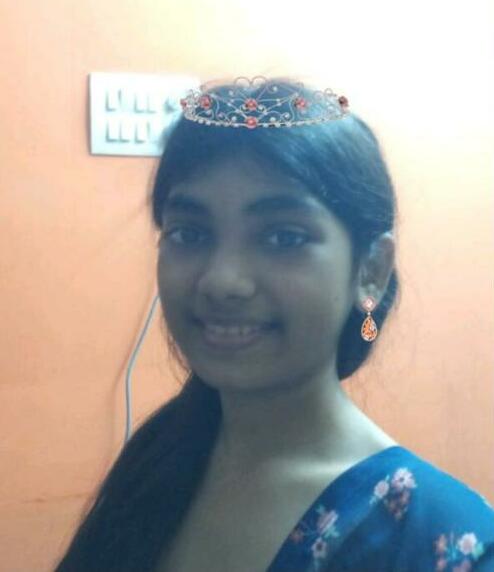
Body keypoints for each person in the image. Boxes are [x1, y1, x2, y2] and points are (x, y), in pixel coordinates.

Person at [53, 77, 494, 572]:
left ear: (371, 269)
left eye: (284, 237)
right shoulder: (156, 462)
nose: (222, 281)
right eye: (189, 233)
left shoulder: (437, 539)